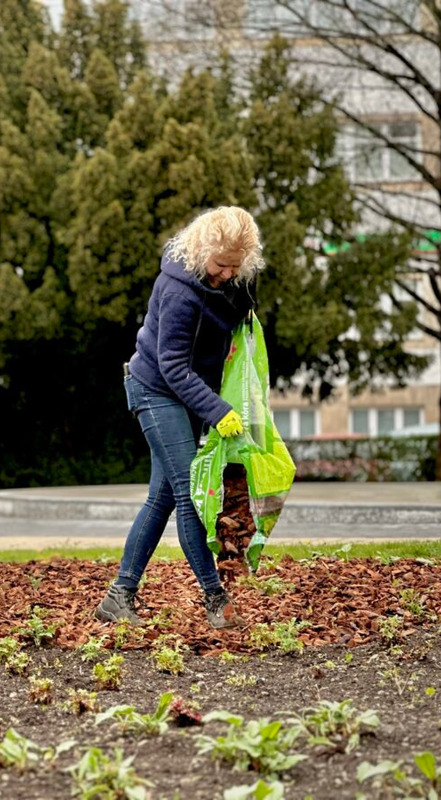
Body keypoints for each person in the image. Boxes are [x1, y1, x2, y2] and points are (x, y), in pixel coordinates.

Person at [93, 207, 263, 630]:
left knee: (162, 498)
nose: (226, 274)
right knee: (191, 495)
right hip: (155, 389)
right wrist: (218, 410)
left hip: (189, 395)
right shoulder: (179, 291)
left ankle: (119, 595)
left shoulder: (232, 281)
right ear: (202, 250)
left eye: (235, 267)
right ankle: (215, 598)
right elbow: (172, 366)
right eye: (220, 265)